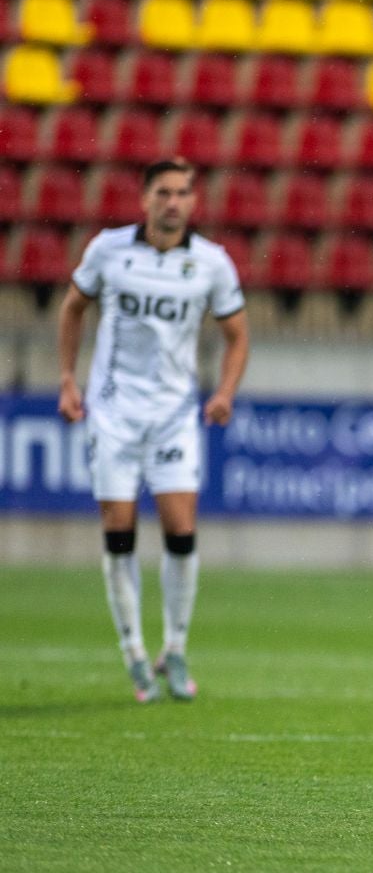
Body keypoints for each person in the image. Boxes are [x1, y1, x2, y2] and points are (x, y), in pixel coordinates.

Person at [56, 158, 251, 703]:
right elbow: (73, 308)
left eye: (184, 193)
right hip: (115, 413)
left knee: (181, 531)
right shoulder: (108, 250)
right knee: (119, 531)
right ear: (144, 198)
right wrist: (69, 380)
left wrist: (225, 393)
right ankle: (135, 652)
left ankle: (178, 645)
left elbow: (238, 335)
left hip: (173, 414)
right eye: (164, 192)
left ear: (194, 201)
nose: (174, 202)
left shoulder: (211, 263)